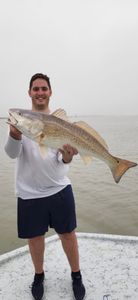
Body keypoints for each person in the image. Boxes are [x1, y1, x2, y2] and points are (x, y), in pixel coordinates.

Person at [4, 73, 86, 300]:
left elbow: (63, 160)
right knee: (35, 238)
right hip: (29, 192)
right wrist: (14, 134)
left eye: (44, 88)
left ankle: (76, 274)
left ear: (50, 92)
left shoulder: (61, 124)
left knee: (68, 234)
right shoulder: (21, 125)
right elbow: (12, 153)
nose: (40, 92)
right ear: (29, 92)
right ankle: (39, 275)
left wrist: (68, 156)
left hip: (59, 189)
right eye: (35, 89)